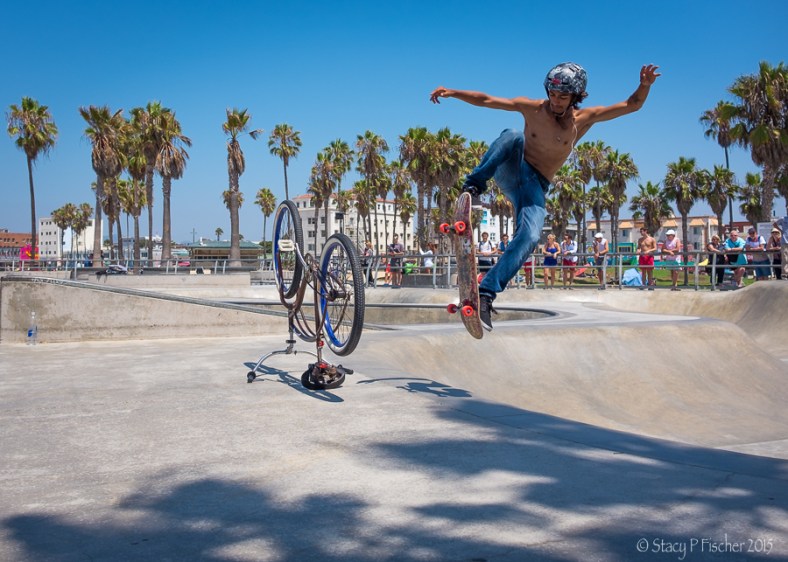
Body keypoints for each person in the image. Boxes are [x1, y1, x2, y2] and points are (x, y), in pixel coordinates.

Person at [431, 62, 660, 329]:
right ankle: (473, 186)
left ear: (575, 96)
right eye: (552, 94)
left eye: (563, 97)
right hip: (513, 167)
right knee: (513, 135)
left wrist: (644, 86)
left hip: (535, 187)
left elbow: (631, 105)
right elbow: (486, 100)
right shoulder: (533, 107)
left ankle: (485, 295)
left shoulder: (584, 119)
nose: (556, 101)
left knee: (529, 237)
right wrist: (452, 92)